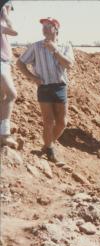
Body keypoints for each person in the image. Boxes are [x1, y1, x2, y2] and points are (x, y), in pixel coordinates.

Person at [17, 17, 74, 164]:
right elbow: (20, 63)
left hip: (60, 86)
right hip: (44, 87)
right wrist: (32, 77)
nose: (45, 28)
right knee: (48, 121)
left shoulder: (65, 45)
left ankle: (47, 144)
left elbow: (69, 65)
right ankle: (49, 150)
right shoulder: (36, 46)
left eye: (48, 25)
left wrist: (55, 51)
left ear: (56, 29)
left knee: (62, 122)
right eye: (43, 25)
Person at [0, 1, 18, 148]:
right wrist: (5, 15)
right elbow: (14, 31)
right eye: (10, 8)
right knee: (11, 95)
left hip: (5, 63)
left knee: (2, 98)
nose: (11, 11)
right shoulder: (1, 23)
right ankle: (4, 135)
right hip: (1, 63)